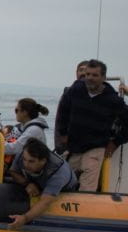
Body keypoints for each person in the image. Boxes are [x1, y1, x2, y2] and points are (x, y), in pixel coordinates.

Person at [55, 59, 128, 191]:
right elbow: (63, 111)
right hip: (74, 145)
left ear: (103, 78)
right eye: (88, 74)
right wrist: (63, 133)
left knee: (88, 183)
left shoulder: (113, 99)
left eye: (95, 75)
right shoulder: (76, 89)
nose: (89, 78)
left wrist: (116, 142)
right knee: (63, 178)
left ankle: (86, 204)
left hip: (96, 146)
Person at [7, 139, 79, 229]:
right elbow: (13, 172)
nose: (26, 164)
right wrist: (27, 183)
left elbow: (45, 202)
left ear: (43, 161)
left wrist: (25, 218)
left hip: (66, 189)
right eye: (25, 160)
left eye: (31, 161)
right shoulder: (23, 155)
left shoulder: (58, 173)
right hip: (35, 181)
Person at [54, 60, 89, 153]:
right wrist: (60, 144)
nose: (83, 73)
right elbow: (60, 119)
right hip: (68, 145)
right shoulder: (68, 94)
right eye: (81, 70)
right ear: (76, 73)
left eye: (87, 70)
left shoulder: (99, 95)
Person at [3, 98, 50, 163]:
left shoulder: (33, 130)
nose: (15, 113)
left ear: (25, 112)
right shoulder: (26, 127)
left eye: (16, 110)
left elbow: (14, 148)